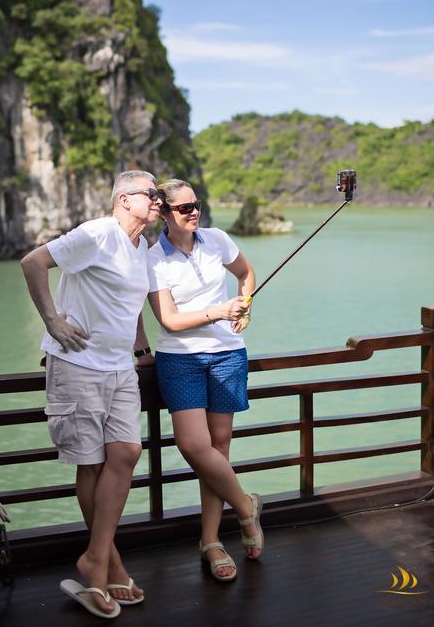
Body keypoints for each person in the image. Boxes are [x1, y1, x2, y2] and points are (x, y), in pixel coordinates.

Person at [21, 170, 161, 619]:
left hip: (120, 367)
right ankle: (108, 563)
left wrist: (142, 351)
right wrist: (53, 321)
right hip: (78, 363)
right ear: (124, 199)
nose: (157, 200)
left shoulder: (141, 247)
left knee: (126, 452)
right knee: (93, 461)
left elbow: (132, 306)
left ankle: (96, 558)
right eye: (151, 194)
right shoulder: (98, 233)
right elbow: (32, 262)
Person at [147, 179, 263, 583]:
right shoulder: (152, 259)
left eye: (197, 204)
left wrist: (244, 306)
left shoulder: (217, 240)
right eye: (183, 208)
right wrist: (218, 310)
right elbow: (171, 320)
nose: (193, 212)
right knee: (194, 446)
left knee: (219, 450)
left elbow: (246, 274)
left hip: (228, 355)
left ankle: (211, 541)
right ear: (163, 213)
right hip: (180, 360)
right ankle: (247, 508)